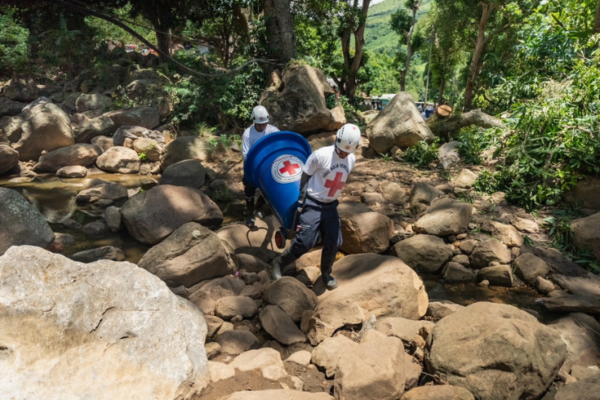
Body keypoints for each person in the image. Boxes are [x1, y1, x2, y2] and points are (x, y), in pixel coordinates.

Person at [271, 123, 361, 290]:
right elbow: (306, 174)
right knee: (305, 241)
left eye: (347, 151)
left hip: (331, 205)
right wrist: (302, 198)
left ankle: (326, 273)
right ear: (337, 141)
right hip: (313, 202)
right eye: (340, 150)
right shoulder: (320, 155)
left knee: (333, 241)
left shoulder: (352, 159)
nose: (343, 153)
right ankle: (279, 262)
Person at [242, 105, 280, 226]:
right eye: (259, 124)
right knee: (249, 189)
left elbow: (279, 145)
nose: (262, 126)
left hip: (268, 167)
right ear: (254, 122)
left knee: (269, 190)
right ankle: (250, 214)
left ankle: (259, 207)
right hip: (252, 167)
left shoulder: (273, 131)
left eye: (264, 124)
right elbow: (245, 154)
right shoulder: (248, 134)